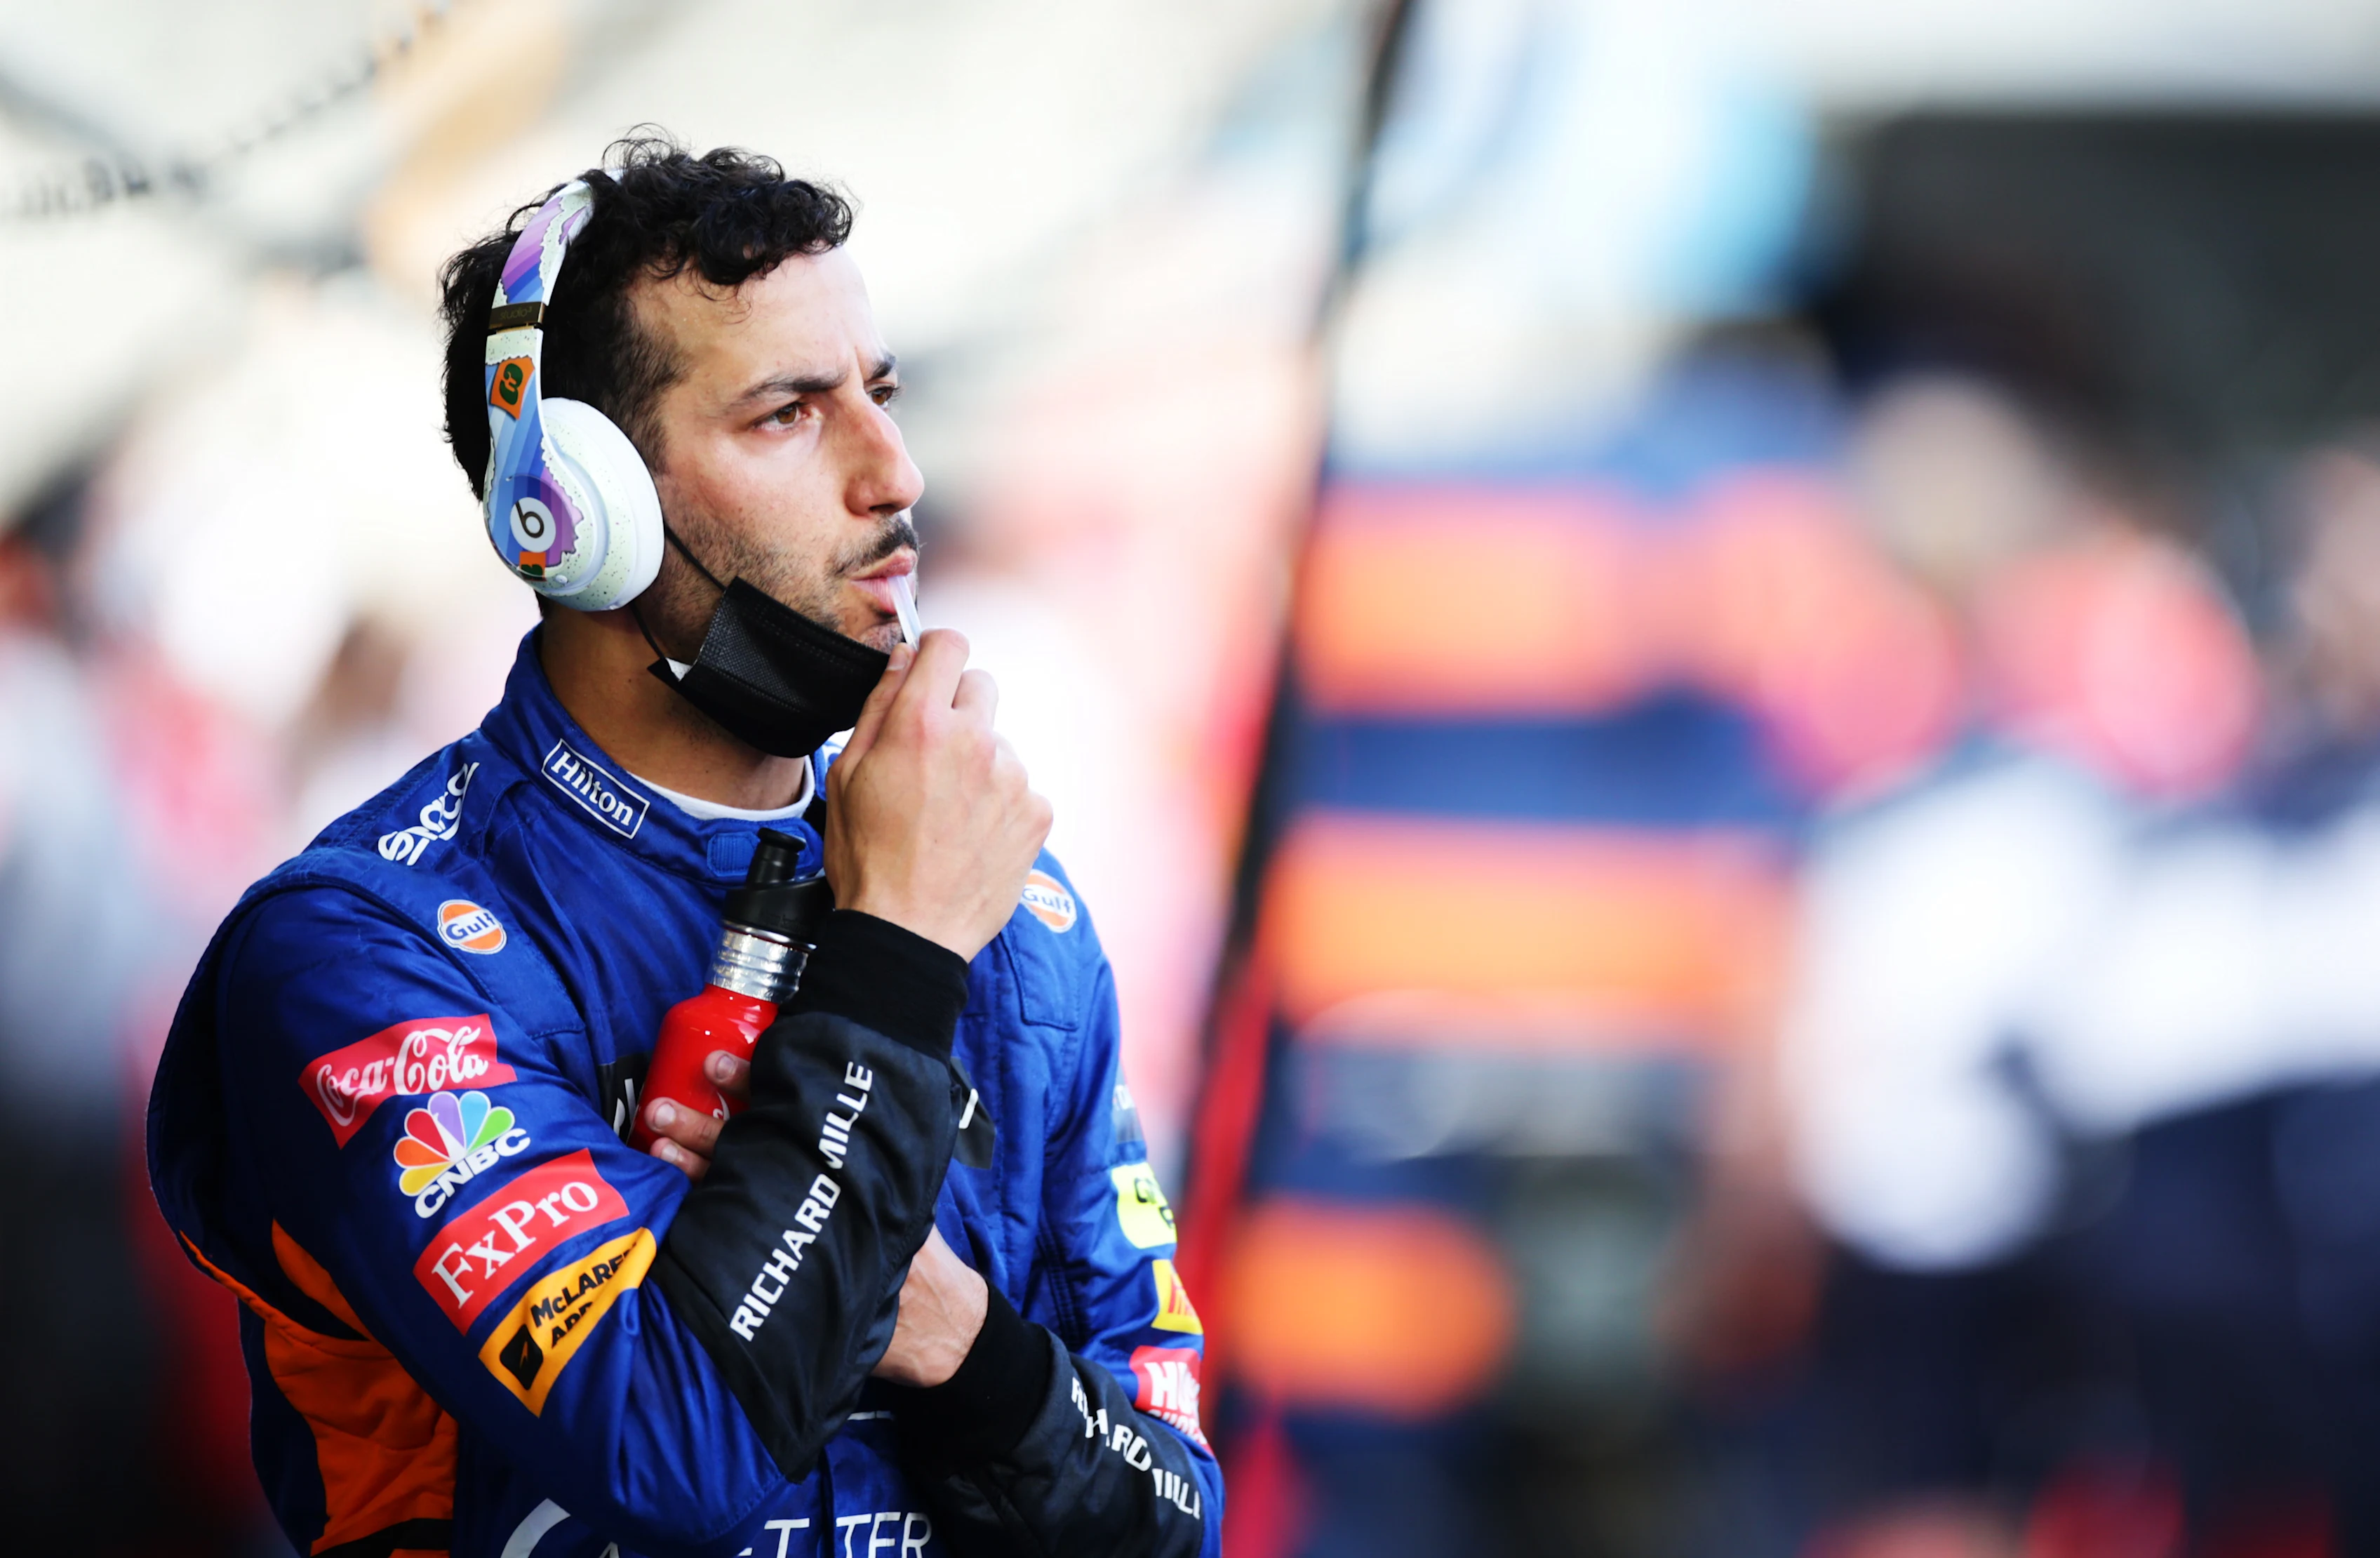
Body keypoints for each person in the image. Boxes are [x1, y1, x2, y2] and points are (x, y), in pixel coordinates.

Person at [147, 137, 1222, 1558]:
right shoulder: (369, 949)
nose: (894, 472)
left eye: (880, 395)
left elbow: (1171, 1515)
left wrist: (959, 1342)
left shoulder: (1012, 912)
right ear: (579, 512)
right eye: (788, 416)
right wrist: (891, 961)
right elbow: (672, 1438)